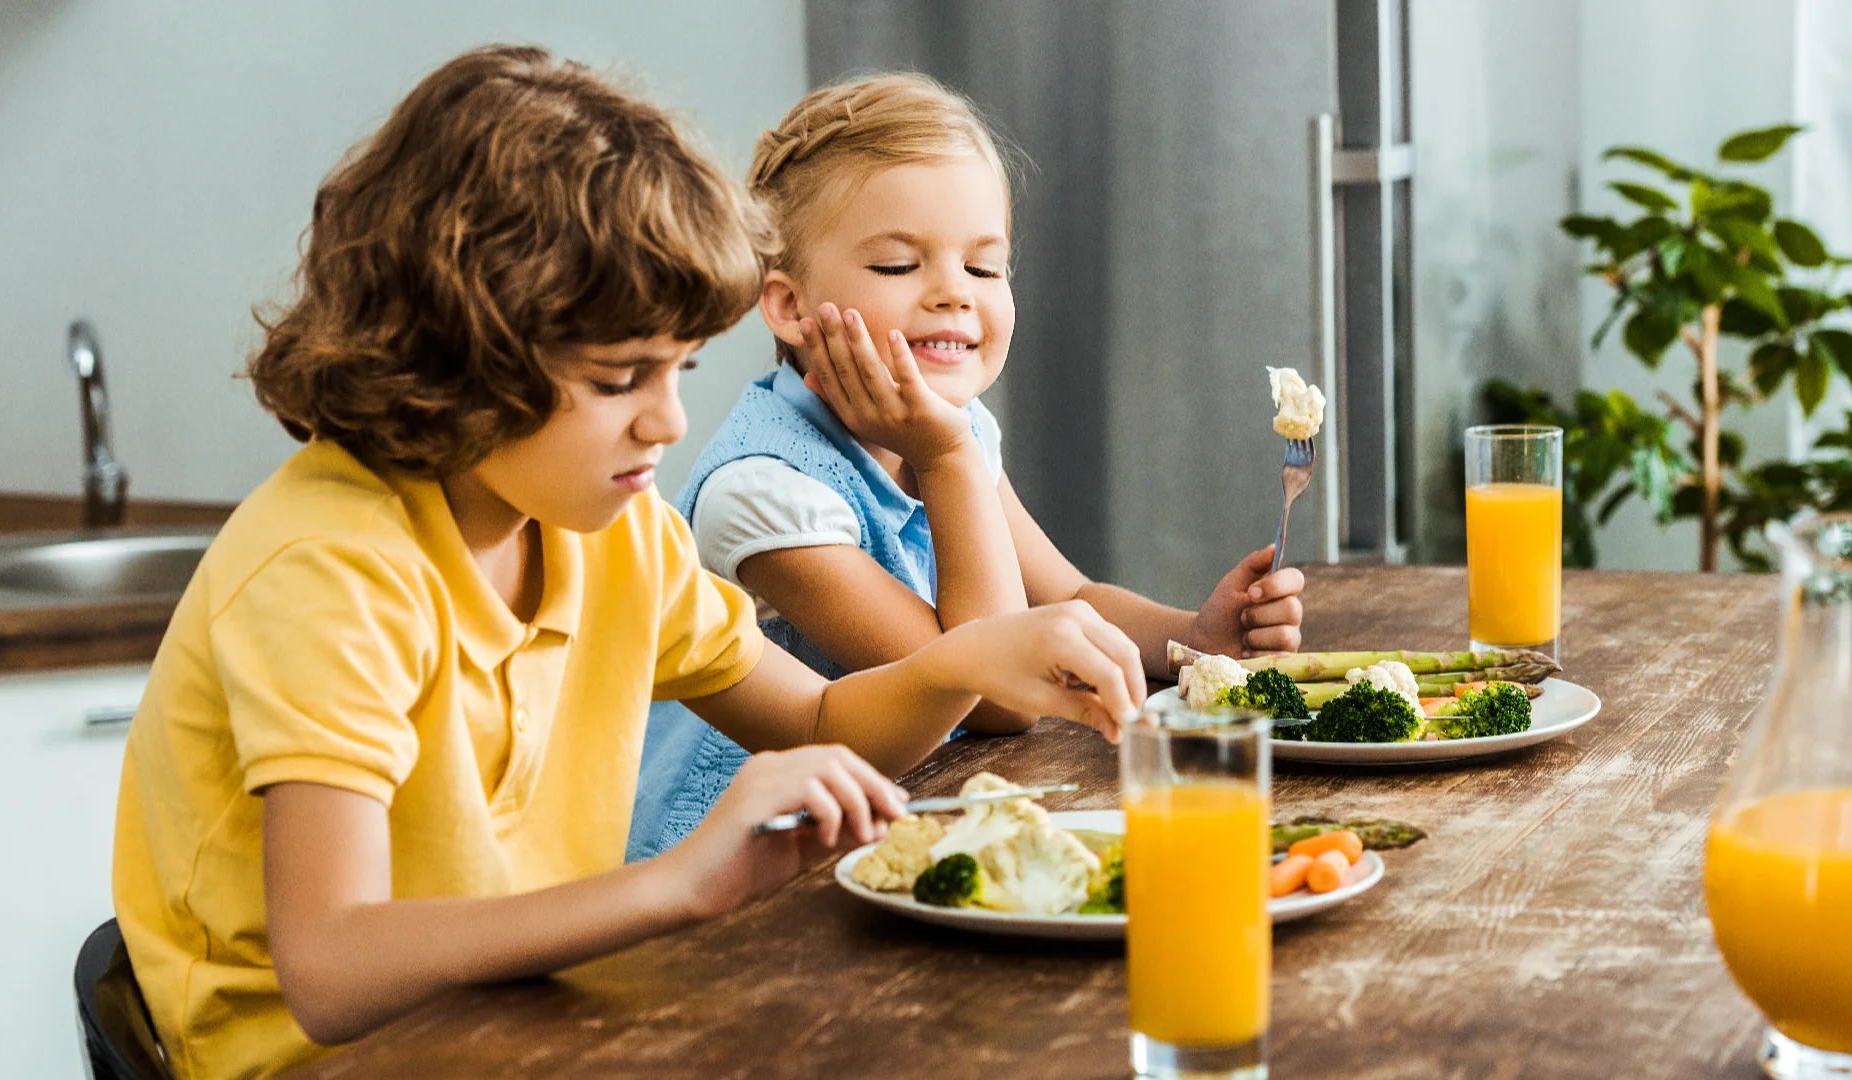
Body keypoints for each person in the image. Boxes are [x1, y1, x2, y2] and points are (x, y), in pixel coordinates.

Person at [109, 48, 1146, 1080]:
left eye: (681, 367)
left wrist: (961, 664)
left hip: (532, 1023)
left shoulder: (615, 532)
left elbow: (821, 722)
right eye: (619, 378)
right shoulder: (331, 569)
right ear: (463, 348)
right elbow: (332, 972)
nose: (669, 419)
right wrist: (678, 886)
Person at [631, 73, 1304, 857]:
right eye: (896, 266)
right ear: (787, 307)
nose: (954, 295)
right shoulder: (764, 493)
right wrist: (945, 457)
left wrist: (1192, 641)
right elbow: (992, 695)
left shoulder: (955, 434)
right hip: (747, 870)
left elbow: (1069, 596)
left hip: (904, 821)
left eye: (983, 269)